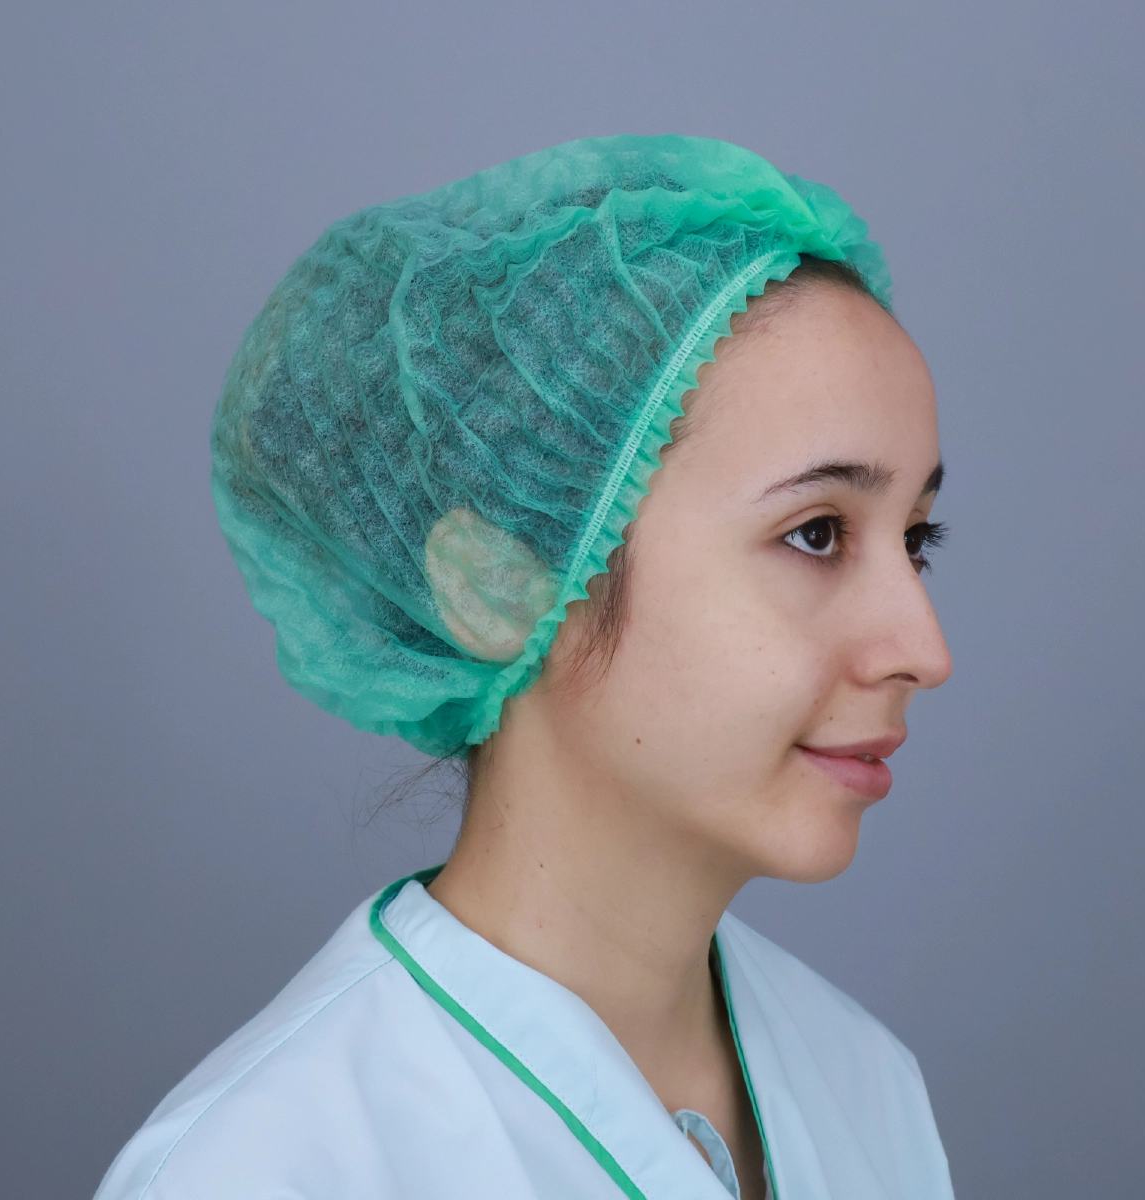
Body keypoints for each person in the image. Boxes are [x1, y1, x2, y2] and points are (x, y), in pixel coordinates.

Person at [95, 134, 955, 1200]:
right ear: (496, 585)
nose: (924, 650)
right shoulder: (269, 1169)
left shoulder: (863, 1083)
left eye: (916, 539)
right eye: (817, 534)